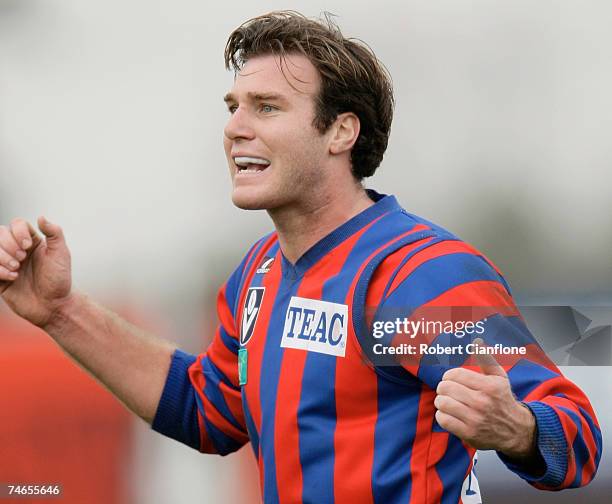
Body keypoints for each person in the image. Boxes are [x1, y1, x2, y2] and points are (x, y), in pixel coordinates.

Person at [0, 11, 601, 504]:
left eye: (266, 107)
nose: (235, 126)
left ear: (340, 132)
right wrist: (60, 312)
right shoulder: (258, 274)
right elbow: (205, 409)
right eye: (233, 106)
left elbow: (577, 435)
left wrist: (519, 430)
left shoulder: (418, 274)